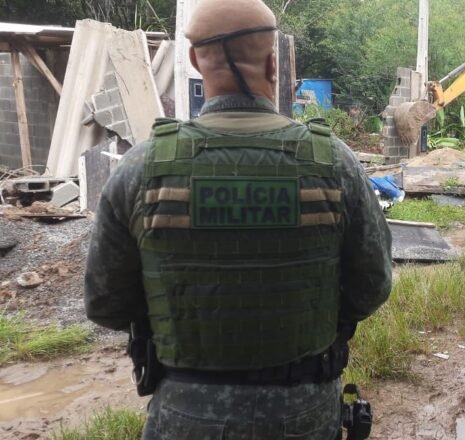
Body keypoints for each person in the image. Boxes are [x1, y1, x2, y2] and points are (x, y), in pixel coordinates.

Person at [83, 0, 392, 438]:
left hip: (184, 414)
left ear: (194, 60)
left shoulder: (142, 168)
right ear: (272, 63)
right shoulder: (334, 163)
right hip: (303, 412)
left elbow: (106, 304)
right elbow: (372, 286)